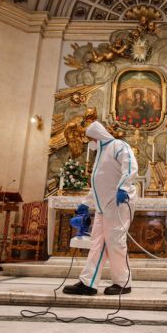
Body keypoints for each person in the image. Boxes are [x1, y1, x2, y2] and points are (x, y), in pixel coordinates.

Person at [63, 121, 138, 296]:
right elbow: (99, 184)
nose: (89, 142)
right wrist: (86, 203)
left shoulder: (118, 145)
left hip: (119, 202)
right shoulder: (100, 153)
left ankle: (123, 283)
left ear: (97, 136)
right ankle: (88, 283)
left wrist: (124, 187)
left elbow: (130, 166)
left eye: (90, 139)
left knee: (115, 242)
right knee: (97, 242)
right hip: (103, 205)